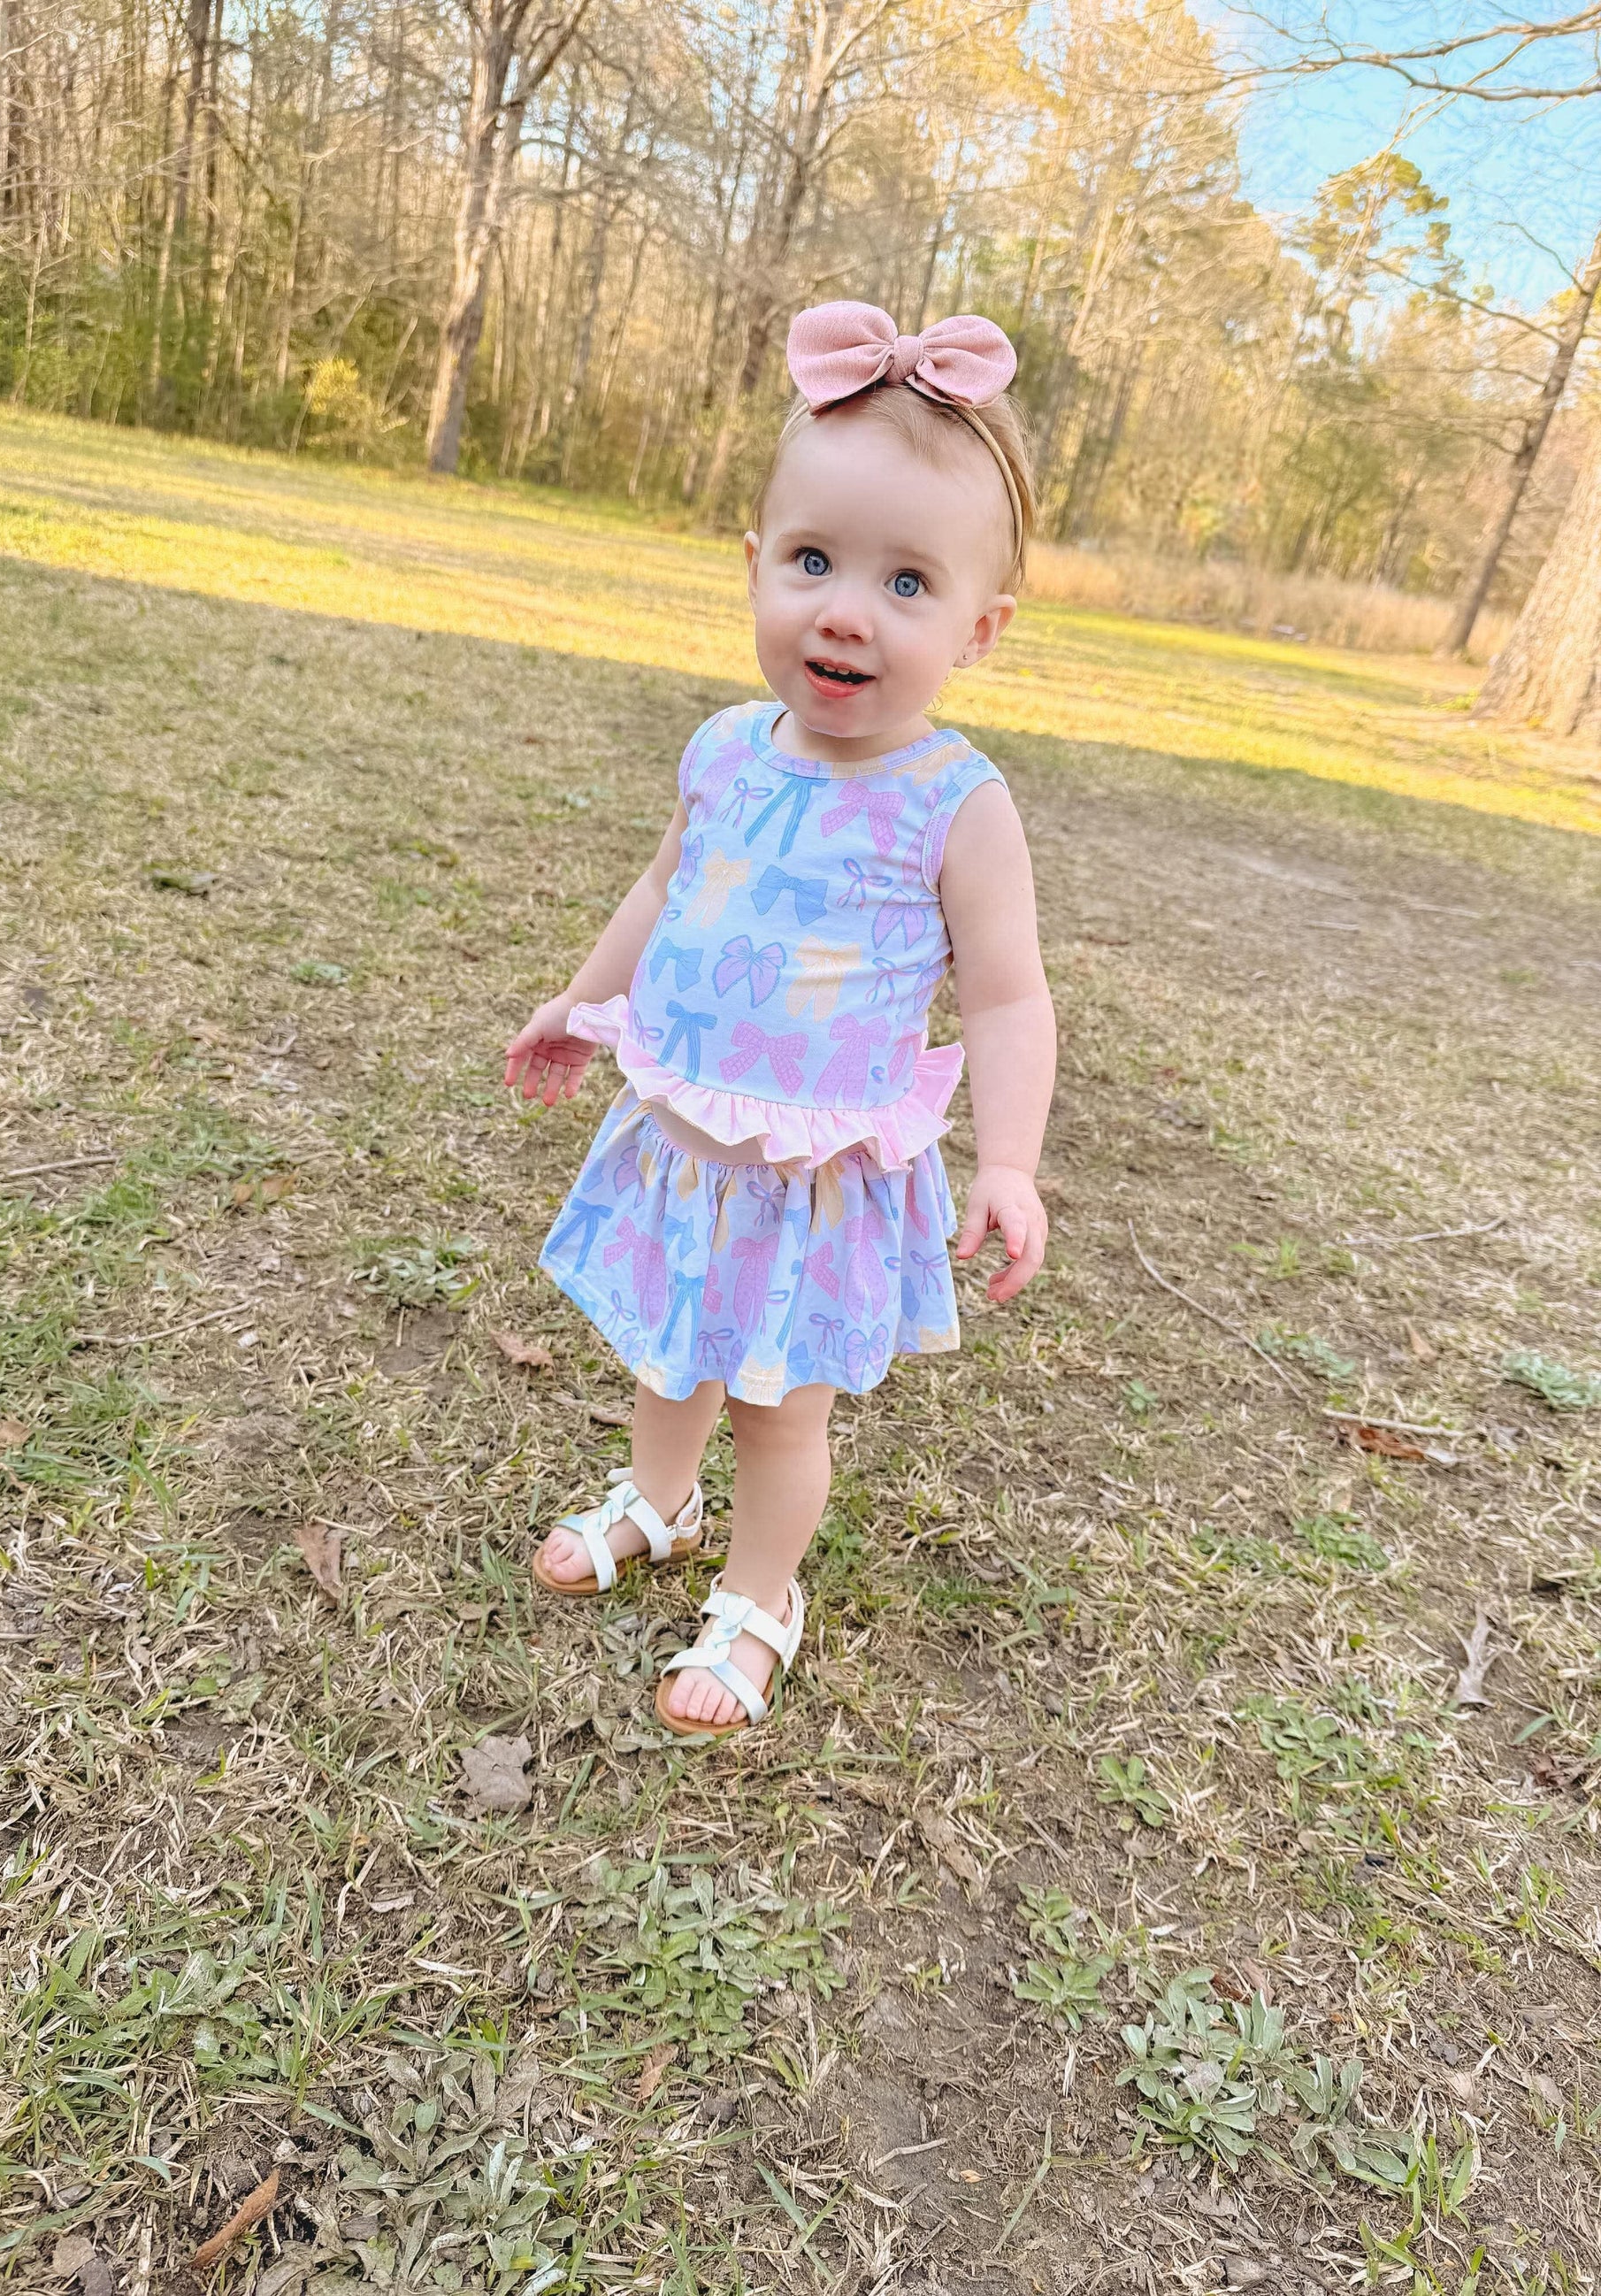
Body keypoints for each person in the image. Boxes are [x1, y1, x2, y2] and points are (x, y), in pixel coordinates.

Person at [502, 300, 1057, 1739]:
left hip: (813, 1182)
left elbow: (1007, 993)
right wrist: (581, 1002)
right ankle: (659, 1500)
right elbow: (664, 886)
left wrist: (1006, 1161)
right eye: (811, 561)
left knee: (776, 1405)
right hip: (685, 1139)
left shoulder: (953, 804)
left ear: (979, 628)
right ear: (751, 564)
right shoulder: (722, 750)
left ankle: (761, 1593)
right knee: (668, 1349)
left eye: (906, 582)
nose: (845, 611)